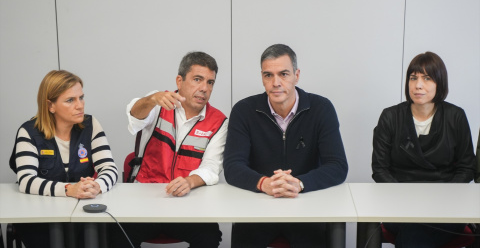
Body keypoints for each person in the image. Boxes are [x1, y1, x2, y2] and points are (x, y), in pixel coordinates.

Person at [224, 44, 348, 247]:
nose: (276, 83)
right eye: (268, 75)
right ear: (262, 77)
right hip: (258, 208)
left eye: (283, 74)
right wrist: (264, 183)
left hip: (306, 207)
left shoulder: (321, 108)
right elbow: (232, 166)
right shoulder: (243, 110)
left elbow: (337, 166)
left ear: (296, 75)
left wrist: (298, 184)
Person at [111, 51, 227, 248]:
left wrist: (190, 182)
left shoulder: (219, 121)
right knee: (115, 235)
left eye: (210, 82)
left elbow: (211, 166)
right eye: (197, 79)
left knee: (209, 238)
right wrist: (152, 99)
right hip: (144, 200)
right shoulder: (158, 102)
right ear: (179, 81)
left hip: (188, 204)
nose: (204, 88)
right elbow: (134, 116)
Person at [372, 52, 476, 247]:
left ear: (440, 83)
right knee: (414, 232)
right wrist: (404, 199)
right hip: (399, 204)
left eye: (427, 78)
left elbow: (467, 167)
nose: (418, 85)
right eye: (413, 78)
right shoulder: (390, 116)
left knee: (414, 235)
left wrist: (443, 198)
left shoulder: (456, 116)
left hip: (446, 206)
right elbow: (380, 170)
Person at [9, 70, 118, 248]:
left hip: (84, 214)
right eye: (70, 100)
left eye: (81, 97)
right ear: (50, 105)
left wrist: (98, 186)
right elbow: (26, 181)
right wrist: (69, 189)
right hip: (41, 217)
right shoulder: (28, 131)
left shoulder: (91, 125)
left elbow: (109, 168)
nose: (80, 105)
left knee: (101, 236)